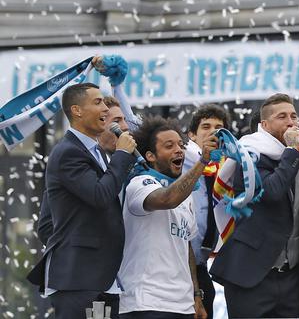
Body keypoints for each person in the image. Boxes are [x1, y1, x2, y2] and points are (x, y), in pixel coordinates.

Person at [27, 79, 138, 319]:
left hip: (100, 277)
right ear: (76, 111)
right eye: (98, 102)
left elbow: (48, 222)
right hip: (78, 278)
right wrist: (121, 155)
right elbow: (99, 196)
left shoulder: (96, 153)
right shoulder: (68, 152)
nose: (106, 110)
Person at [211, 93, 299, 318]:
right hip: (252, 275)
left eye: (294, 116)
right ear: (265, 125)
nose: (291, 121)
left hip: (291, 276)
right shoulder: (250, 155)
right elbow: (271, 191)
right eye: (282, 117)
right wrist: (290, 151)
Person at [120, 116, 219, 319]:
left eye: (181, 145)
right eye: (169, 146)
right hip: (146, 302)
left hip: (182, 305)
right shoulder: (139, 183)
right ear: (150, 156)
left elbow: (187, 247)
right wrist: (203, 162)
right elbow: (167, 199)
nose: (179, 150)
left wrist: (196, 295)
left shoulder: (185, 194)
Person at [183, 103, 229, 319]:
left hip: (201, 264)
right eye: (206, 126)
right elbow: (141, 130)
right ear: (191, 135)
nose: (213, 131)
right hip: (176, 264)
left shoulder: (229, 167)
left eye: (219, 127)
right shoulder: (182, 159)